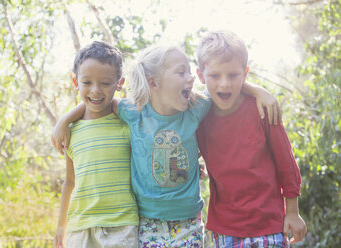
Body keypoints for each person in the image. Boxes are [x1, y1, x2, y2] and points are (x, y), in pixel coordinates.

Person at [52, 44, 279, 247]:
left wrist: (257, 90)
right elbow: (101, 101)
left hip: (188, 219)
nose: (190, 78)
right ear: (153, 82)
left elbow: (222, 90)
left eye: (190, 72)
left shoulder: (195, 109)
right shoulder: (134, 113)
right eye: (182, 72)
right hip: (147, 221)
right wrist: (65, 119)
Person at [196, 30, 307, 248]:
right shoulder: (197, 115)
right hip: (225, 227)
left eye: (233, 76)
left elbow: (287, 164)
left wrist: (292, 212)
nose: (224, 84)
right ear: (201, 76)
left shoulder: (263, 110)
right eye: (215, 76)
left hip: (269, 224)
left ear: (245, 73)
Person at [53, 41, 138, 248]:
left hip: (123, 227)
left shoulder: (128, 125)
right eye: (87, 82)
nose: (96, 90)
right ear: (76, 82)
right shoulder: (71, 132)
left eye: (106, 83)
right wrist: (61, 226)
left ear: (120, 82)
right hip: (80, 229)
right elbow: (70, 182)